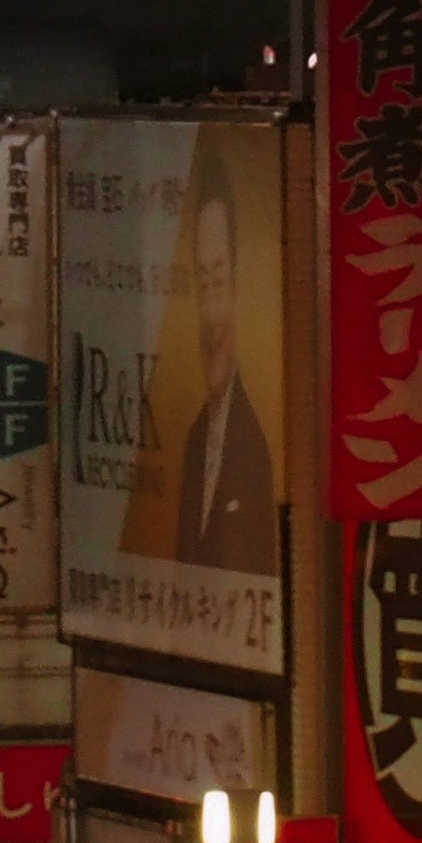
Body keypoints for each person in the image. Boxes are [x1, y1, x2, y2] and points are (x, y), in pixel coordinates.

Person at [166, 166, 279, 573]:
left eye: (220, 280)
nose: (211, 315)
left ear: (240, 289)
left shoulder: (254, 449)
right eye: (203, 284)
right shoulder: (196, 440)